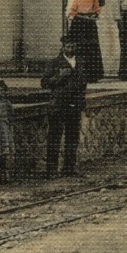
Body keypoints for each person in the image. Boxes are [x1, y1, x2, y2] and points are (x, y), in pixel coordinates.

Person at [40, 36, 89, 177]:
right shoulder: (55, 63)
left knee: (72, 137)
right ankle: (51, 170)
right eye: (68, 46)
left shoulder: (80, 62)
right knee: (55, 137)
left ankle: (69, 167)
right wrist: (59, 77)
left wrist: (81, 102)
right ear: (62, 47)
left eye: (73, 46)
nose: (71, 49)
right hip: (59, 105)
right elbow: (44, 83)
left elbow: (83, 83)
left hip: (75, 105)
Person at [65, 0, 106, 83]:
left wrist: (93, 16)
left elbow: (97, 10)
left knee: (91, 49)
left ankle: (92, 76)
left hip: (90, 25)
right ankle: (79, 75)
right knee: (80, 48)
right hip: (78, 25)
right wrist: (80, 18)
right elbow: (70, 12)